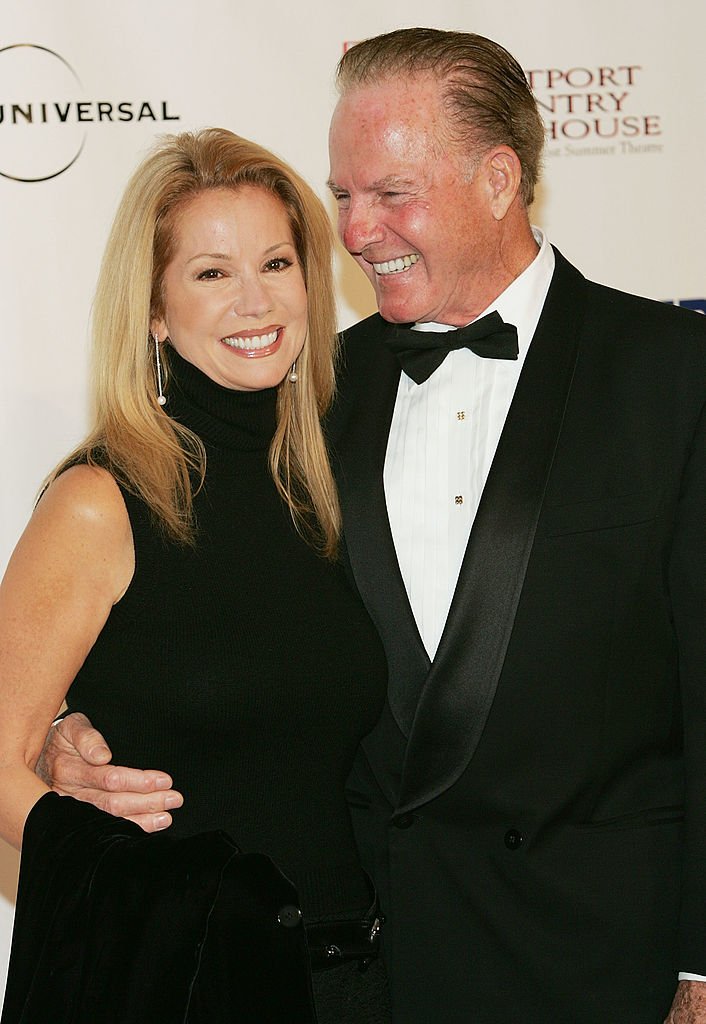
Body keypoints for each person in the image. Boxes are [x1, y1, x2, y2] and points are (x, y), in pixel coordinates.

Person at [41, 28, 706, 1024]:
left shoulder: (669, 370)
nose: (352, 232)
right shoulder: (315, 403)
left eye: (390, 193)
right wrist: (62, 737)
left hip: (608, 965)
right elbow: (213, 625)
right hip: (376, 969)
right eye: (343, 195)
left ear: (496, 178)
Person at [0, 127, 391, 1022]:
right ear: (153, 308)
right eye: (211, 273)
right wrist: (129, 880)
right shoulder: (104, 499)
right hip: (183, 987)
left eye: (277, 262)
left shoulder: (330, 481)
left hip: (357, 980)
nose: (254, 301)